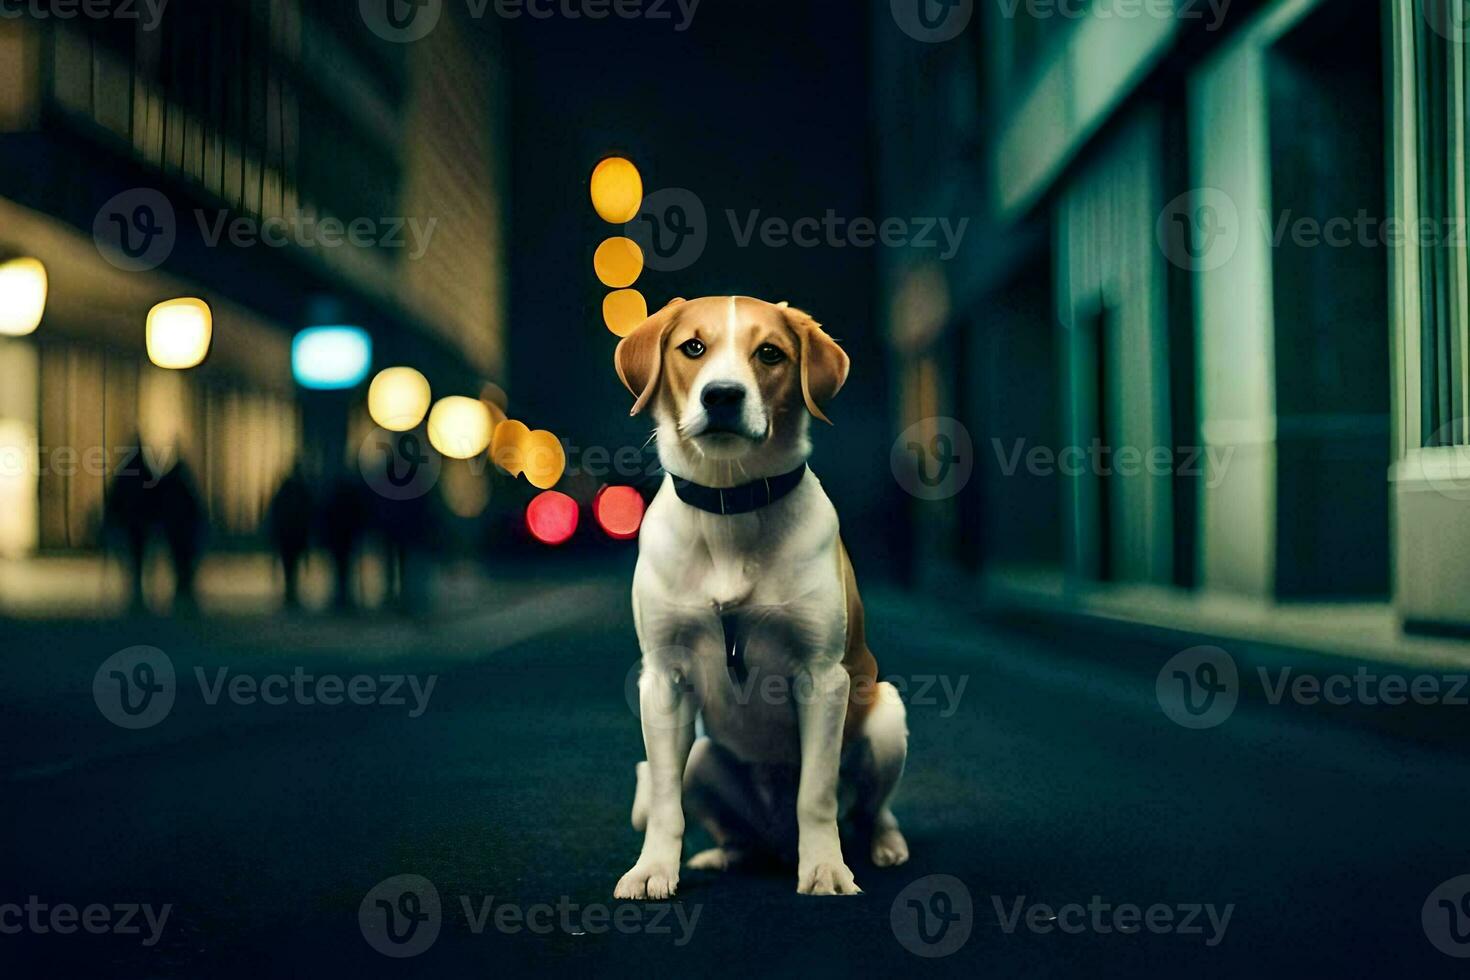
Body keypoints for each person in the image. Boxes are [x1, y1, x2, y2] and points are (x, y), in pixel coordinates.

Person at [267, 463, 314, 609]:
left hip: (287, 537)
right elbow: (307, 517)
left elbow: (276, 516)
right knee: (292, 567)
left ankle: (290, 593)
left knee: (289, 567)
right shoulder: (301, 493)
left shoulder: (283, 493)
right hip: (294, 537)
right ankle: (291, 593)